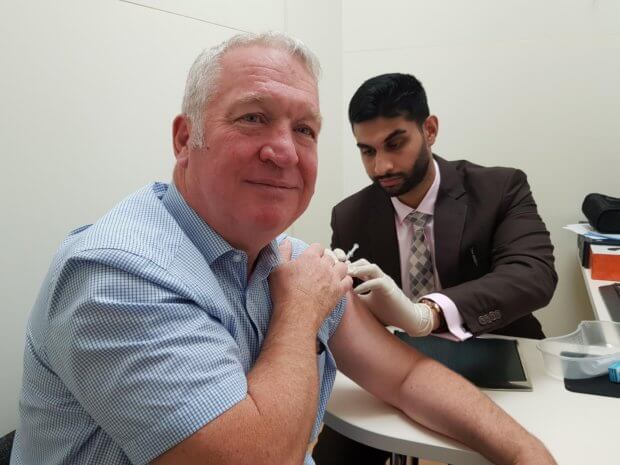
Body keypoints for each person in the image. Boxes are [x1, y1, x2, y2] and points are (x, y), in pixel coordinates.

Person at [11, 34, 556, 465]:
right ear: (185, 139)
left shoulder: (286, 256)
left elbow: (407, 377)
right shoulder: (118, 274)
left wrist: (525, 452)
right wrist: (299, 313)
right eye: (253, 118)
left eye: (305, 130)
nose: (284, 152)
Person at [315, 72, 558, 464]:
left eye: (396, 143)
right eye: (367, 151)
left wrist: (427, 314)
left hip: (497, 357)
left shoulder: (499, 189)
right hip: (396, 363)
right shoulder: (350, 215)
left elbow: (533, 273)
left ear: (429, 129)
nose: (383, 166)